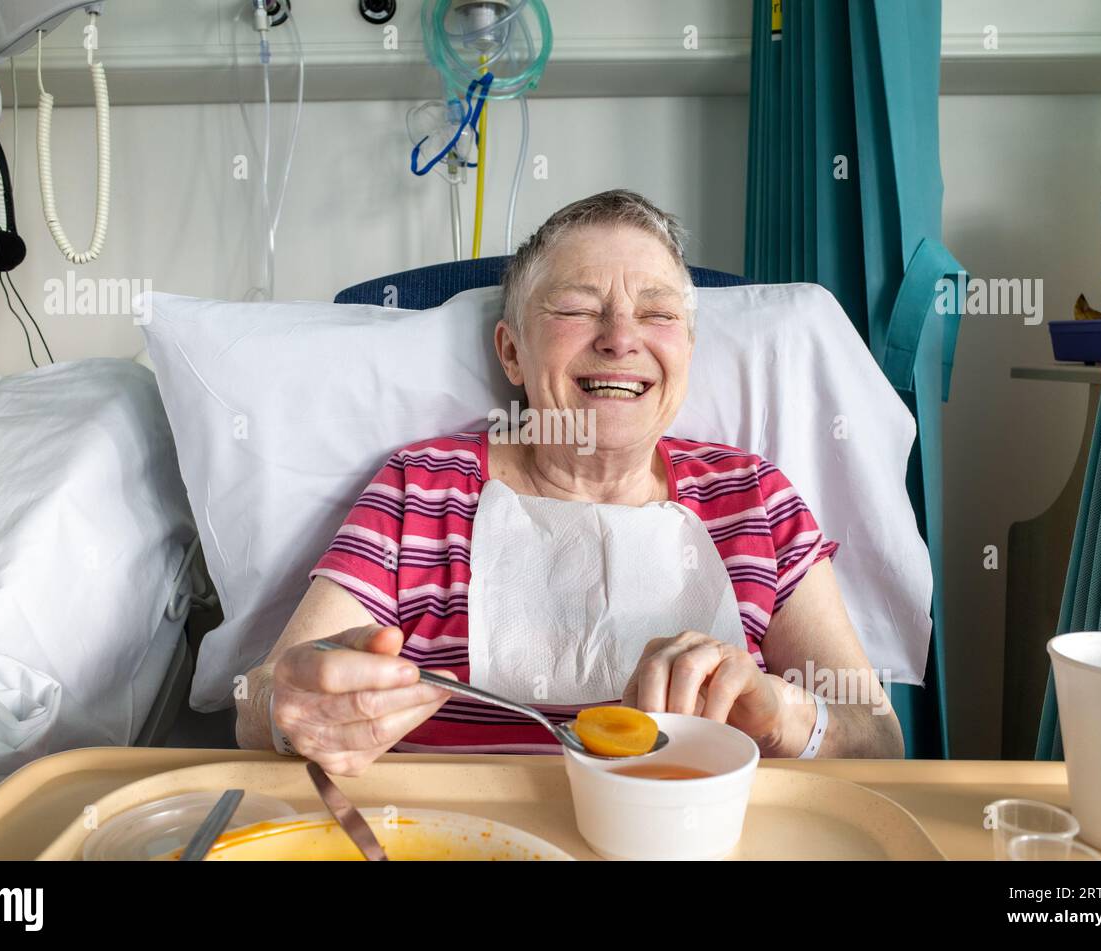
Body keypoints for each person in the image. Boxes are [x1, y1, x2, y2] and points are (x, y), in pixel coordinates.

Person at [235, 189, 904, 771]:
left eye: (658, 313)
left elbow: (877, 738)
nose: (620, 338)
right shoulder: (422, 490)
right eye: (578, 309)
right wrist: (288, 706)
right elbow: (260, 702)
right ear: (512, 352)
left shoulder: (754, 497)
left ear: (688, 352)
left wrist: (781, 711)